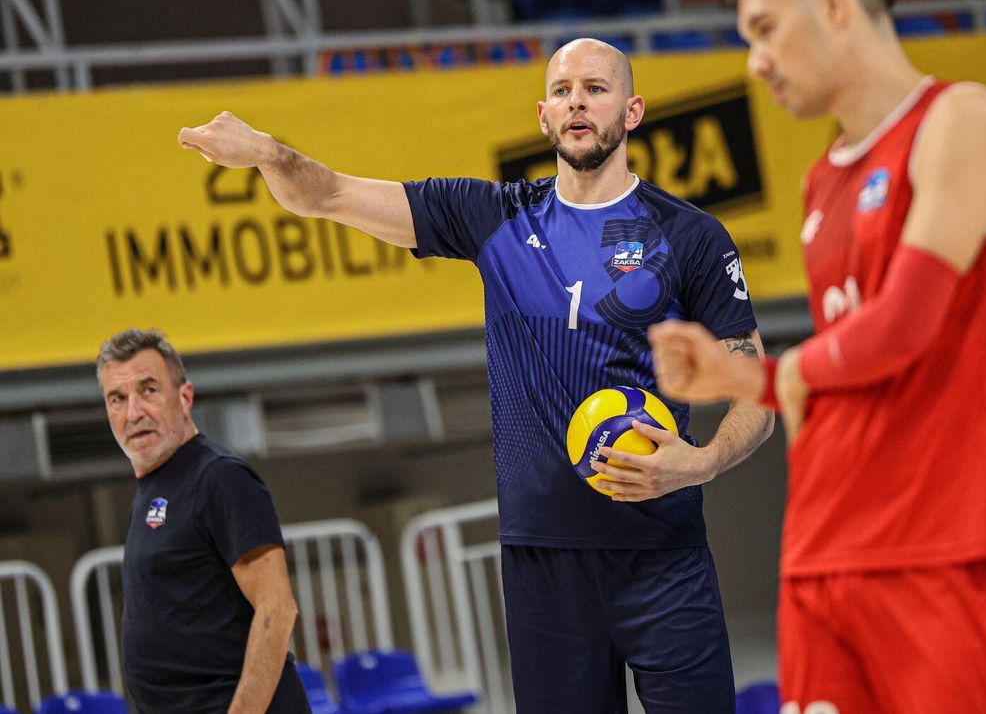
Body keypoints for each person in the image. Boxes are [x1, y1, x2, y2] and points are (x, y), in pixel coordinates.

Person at [177, 38, 774, 713]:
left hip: (665, 557)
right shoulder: (496, 216)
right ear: (544, 115)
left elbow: (758, 392)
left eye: (597, 87)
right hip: (543, 565)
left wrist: (700, 462)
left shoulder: (691, 236)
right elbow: (332, 193)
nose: (577, 98)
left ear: (632, 111)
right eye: (562, 88)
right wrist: (269, 155)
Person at [648, 0, 986, 712]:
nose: (756, 62)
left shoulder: (960, 118)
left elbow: (903, 324)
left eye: (766, 30)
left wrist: (766, 377)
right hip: (822, 544)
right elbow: (836, 371)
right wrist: (743, 379)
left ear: (834, 5)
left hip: (942, 541)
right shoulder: (821, 178)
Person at [97, 328, 309, 714]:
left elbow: (277, 609)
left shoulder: (220, 478)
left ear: (184, 397)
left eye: (148, 390)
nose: (133, 412)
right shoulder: (154, 485)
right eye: (117, 398)